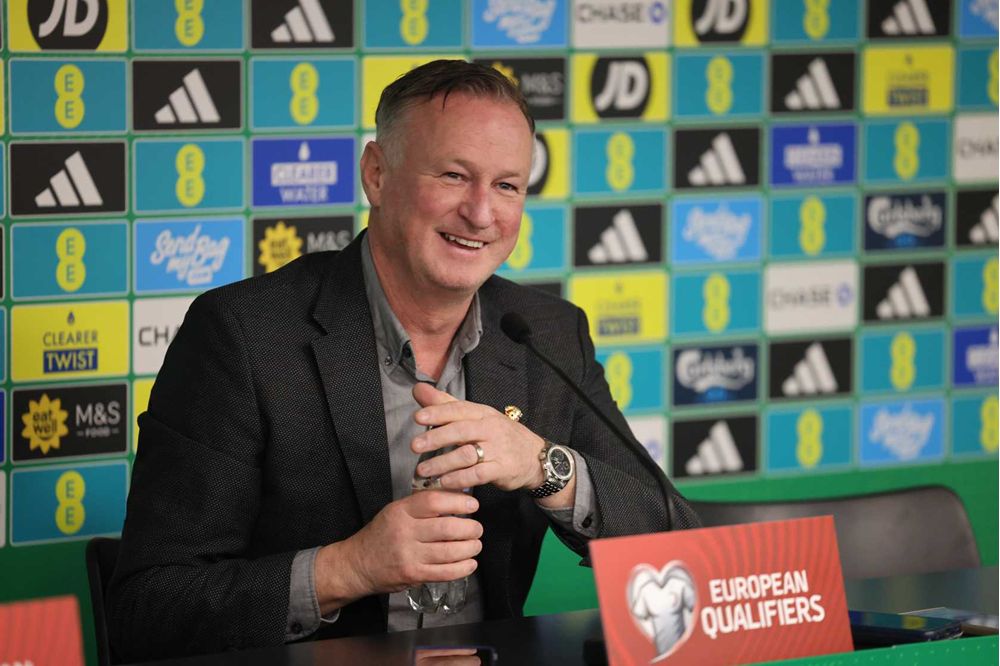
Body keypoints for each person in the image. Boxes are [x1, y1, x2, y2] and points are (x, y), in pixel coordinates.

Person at [108, 60, 699, 661]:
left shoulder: (548, 333)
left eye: (507, 186)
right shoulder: (244, 335)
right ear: (377, 174)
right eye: (453, 175)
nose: (481, 213)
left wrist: (544, 465)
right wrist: (348, 568)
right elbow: (147, 611)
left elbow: (679, 539)